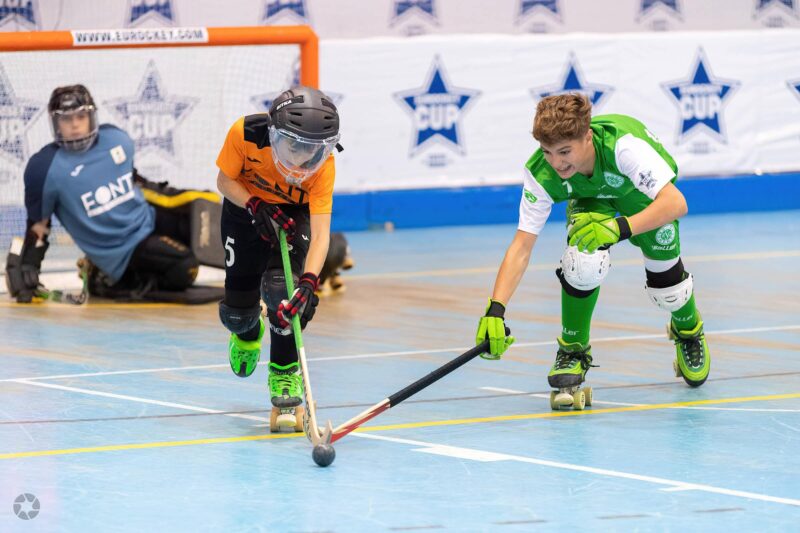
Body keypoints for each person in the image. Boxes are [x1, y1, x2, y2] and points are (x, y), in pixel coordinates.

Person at [475, 93, 710, 409]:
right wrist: (496, 309)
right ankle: (572, 349)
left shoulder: (625, 148)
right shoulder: (541, 173)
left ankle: (688, 330)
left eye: (564, 151)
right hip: (590, 198)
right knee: (582, 260)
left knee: (669, 289)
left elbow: (676, 203)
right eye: (547, 152)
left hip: (639, 193)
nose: (556, 163)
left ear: (587, 138)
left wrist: (618, 229)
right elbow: (522, 245)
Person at [6, 84, 212, 304]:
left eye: (81, 116)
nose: (75, 125)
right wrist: (27, 267)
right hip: (120, 250)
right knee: (185, 267)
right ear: (55, 123)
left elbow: (137, 183)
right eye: (66, 119)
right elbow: (39, 226)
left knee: (203, 225)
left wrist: (182, 198)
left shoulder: (116, 139)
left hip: (146, 219)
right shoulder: (45, 168)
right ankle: (107, 280)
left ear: (91, 117)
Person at [215, 86, 341, 429]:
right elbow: (224, 181)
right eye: (293, 146)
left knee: (283, 293)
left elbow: (321, 236)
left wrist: (308, 284)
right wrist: (255, 204)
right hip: (245, 208)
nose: (300, 161)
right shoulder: (244, 134)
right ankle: (248, 331)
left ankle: (284, 372)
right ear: (273, 134)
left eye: (313, 150)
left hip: (293, 217)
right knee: (236, 316)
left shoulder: (324, 167)